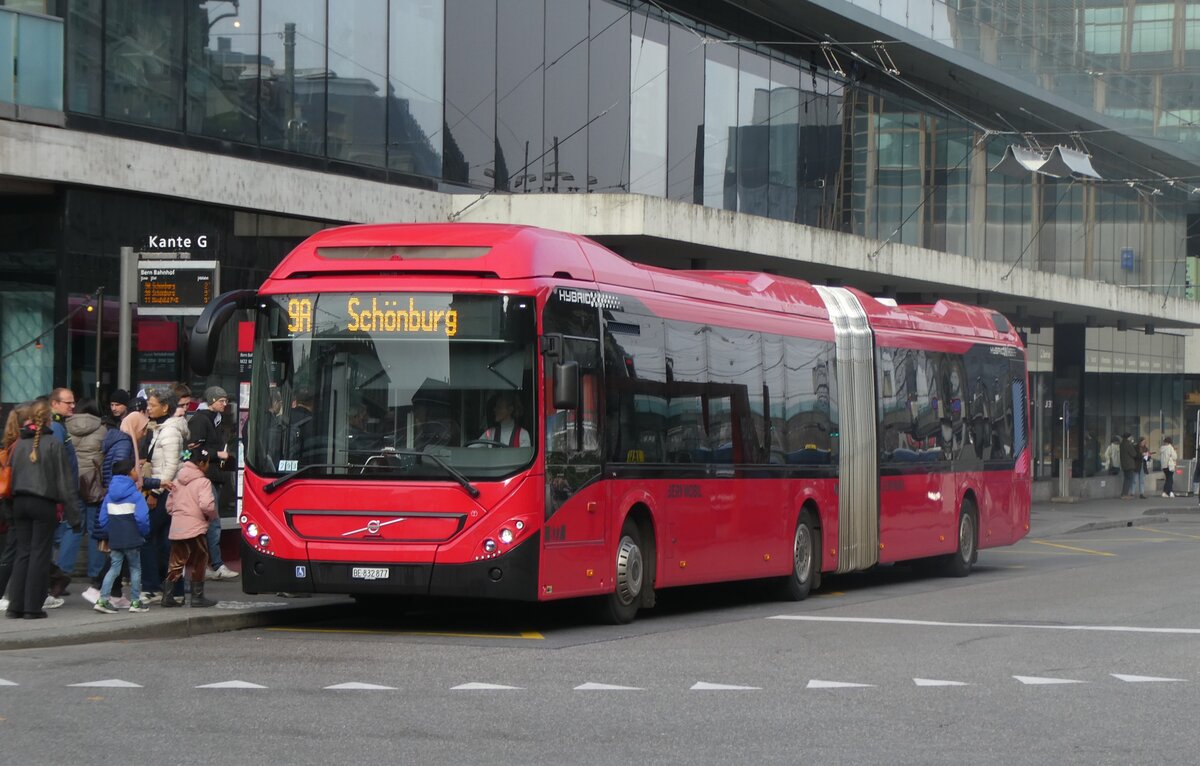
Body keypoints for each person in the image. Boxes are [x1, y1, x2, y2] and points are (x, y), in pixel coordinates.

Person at [7, 401, 79, 619]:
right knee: (39, 554)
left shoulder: (18, 445)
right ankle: (32, 607)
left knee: (23, 553)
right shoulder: (53, 444)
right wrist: (75, 516)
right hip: (43, 503)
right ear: (49, 419)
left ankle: (15, 606)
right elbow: (65, 483)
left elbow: (10, 477)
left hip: (19, 502)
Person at [139, 388, 189, 603]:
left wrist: (155, 491)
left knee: (147, 536)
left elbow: (170, 468)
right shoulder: (161, 429)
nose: (148, 408)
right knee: (166, 542)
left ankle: (153, 586)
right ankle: (172, 589)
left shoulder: (168, 432)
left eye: (152, 404)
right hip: (165, 490)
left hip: (164, 492)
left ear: (165, 407)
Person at [189, 386, 238, 581]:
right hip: (206, 477)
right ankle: (215, 564)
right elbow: (193, 450)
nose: (225, 405)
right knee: (213, 522)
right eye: (221, 401)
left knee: (209, 523)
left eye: (226, 401)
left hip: (214, 475)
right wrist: (218, 454)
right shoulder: (201, 420)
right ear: (211, 401)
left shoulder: (214, 419)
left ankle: (207, 563)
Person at [61, 399, 108, 597]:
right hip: (93, 486)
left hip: (72, 483)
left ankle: (61, 573)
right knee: (95, 530)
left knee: (73, 527)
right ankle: (95, 576)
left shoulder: (65, 427)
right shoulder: (102, 429)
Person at [161, 445, 218, 608]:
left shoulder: (177, 481)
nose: (207, 466)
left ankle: (168, 595)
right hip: (195, 527)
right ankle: (197, 597)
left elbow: (169, 506)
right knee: (200, 559)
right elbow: (207, 505)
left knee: (176, 561)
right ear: (200, 463)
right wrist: (211, 515)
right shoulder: (203, 482)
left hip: (177, 527)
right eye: (206, 463)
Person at [93, 458, 150, 614]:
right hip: (132, 538)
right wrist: (143, 533)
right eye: (133, 469)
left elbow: (103, 520)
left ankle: (103, 600)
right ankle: (136, 602)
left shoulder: (109, 496)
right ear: (128, 474)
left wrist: (110, 532)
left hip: (115, 538)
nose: (135, 472)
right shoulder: (136, 495)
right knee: (135, 569)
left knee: (114, 568)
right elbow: (142, 519)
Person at [0, 402, 32, 613]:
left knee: (14, 547)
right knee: (13, 548)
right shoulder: (19, 445)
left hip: (9, 500)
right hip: (14, 500)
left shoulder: (9, 443)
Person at [1119, 433, 1138, 500]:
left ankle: (1124, 493)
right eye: (1131, 437)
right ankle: (1125, 494)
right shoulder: (1128, 445)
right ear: (1128, 438)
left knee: (1126, 478)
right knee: (1129, 479)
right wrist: (1132, 445)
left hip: (1124, 464)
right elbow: (1134, 454)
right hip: (1129, 464)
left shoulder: (1121, 444)